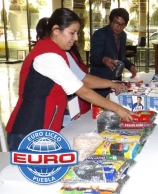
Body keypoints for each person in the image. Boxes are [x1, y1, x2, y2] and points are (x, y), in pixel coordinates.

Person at [6, 8, 133, 151]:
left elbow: (81, 79)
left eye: (77, 33)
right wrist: (118, 109)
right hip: (29, 130)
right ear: (56, 30)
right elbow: (82, 91)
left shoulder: (57, 51)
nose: (76, 38)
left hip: (43, 127)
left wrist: (111, 85)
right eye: (72, 33)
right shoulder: (48, 56)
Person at [90, 8, 137, 97]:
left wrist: (130, 66)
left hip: (116, 80)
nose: (119, 27)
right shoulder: (100, 34)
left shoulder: (123, 35)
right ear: (110, 21)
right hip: (101, 81)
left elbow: (121, 57)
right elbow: (93, 58)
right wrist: (103, 59)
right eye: (116, 23)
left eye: (123, 25)